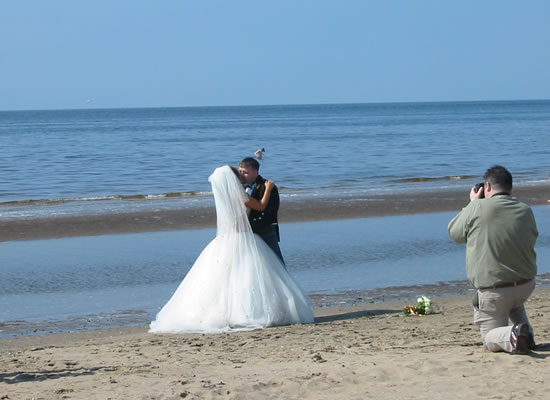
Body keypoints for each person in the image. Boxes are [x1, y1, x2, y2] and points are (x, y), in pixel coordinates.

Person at [149, 165, 313, 333]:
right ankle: (248, 312)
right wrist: (268, 189)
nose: (241, 175)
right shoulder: (237, 193)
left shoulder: (222, 195)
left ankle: (225, 312)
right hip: (242, 237)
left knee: (228, 276)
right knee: (246, 275)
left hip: (225, 238)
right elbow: (260, 206)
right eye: (239, 173)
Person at [448, 165, 538, 354]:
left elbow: (454, 233)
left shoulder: (477, 208)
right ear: (509, 187)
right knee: (512, 301)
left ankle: (514, 334)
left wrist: (472, 203)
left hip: (495, 292)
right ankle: (525, 331)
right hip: (525, 286)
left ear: (487, 187)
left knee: (489, 338)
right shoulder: (525, 209)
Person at [238, 157, 285, 263]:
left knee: (277, 263)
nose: (241, 174)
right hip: (246, 232)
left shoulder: (267, 187)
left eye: (245, 172)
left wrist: (255, 226)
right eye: (240, 171)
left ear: (255, 172)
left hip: (265, 231)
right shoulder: (239, 187)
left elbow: (271, 211)